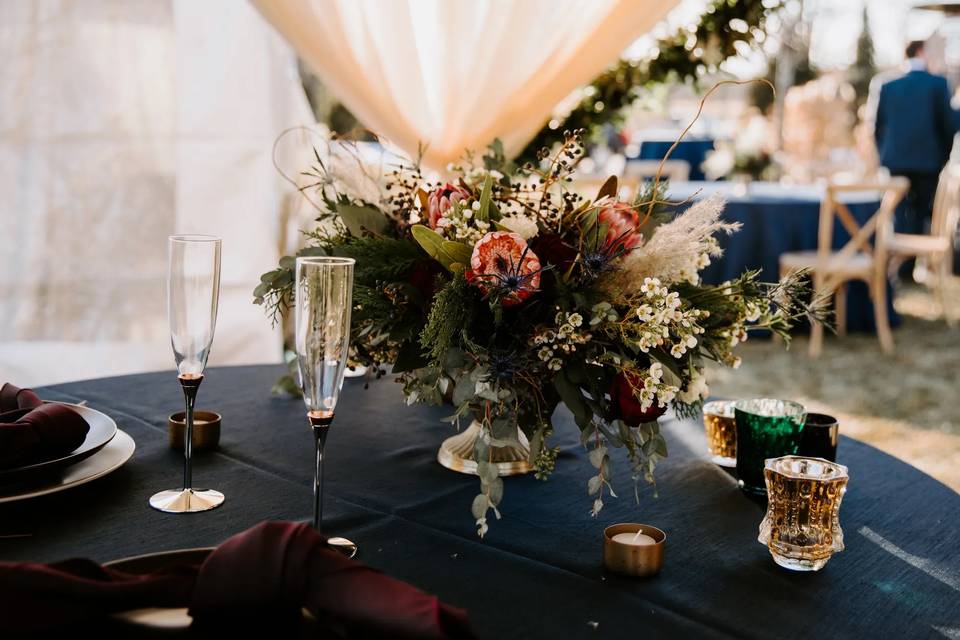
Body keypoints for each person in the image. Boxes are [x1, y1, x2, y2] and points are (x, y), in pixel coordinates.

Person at [873, 40, 958, 279]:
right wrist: (942, 158)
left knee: (898, 213)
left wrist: (885, 156)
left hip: (895, 163)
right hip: (928, 163)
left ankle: (900, 270)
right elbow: (949, 125)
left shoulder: (887, 85)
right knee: (920, 213)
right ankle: (907, 269)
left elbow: (877, 128)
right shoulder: (938, 84)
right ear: (921, 52)